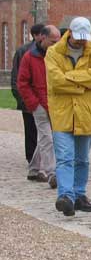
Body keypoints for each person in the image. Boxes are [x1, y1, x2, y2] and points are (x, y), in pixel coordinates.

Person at [46, 17, 91, 216]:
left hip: (86, 113)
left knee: (82, 159)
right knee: (64, 158)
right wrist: (82, 85)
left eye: (84, 38)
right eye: (78, 37)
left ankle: (79, 194)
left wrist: (69, 79)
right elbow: (56, 81)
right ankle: (66, 197)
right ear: (69, 33)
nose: (81, 41)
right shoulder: (53, 53)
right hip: (62, 114)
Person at [18, 25, 61, 188]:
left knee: (45, 138)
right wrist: (34, 104)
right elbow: (22, 83)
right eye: (53, 41)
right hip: (39, 105)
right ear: (43, 38)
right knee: (48, 138)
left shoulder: (56, 55)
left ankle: (34, 169)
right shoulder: (29, 57)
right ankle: (51, 173)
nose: (56, 44)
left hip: (54, 103)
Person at [11, 22, 45, 164]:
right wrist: (22, 99)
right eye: (42, 34)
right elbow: (16, 77)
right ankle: (31, 158)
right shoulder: (23, 51)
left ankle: (42, 158)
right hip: (28, 99)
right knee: (31, 130)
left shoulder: (47, 50)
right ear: (36, 35)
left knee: (44, 131)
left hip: (42, 99)